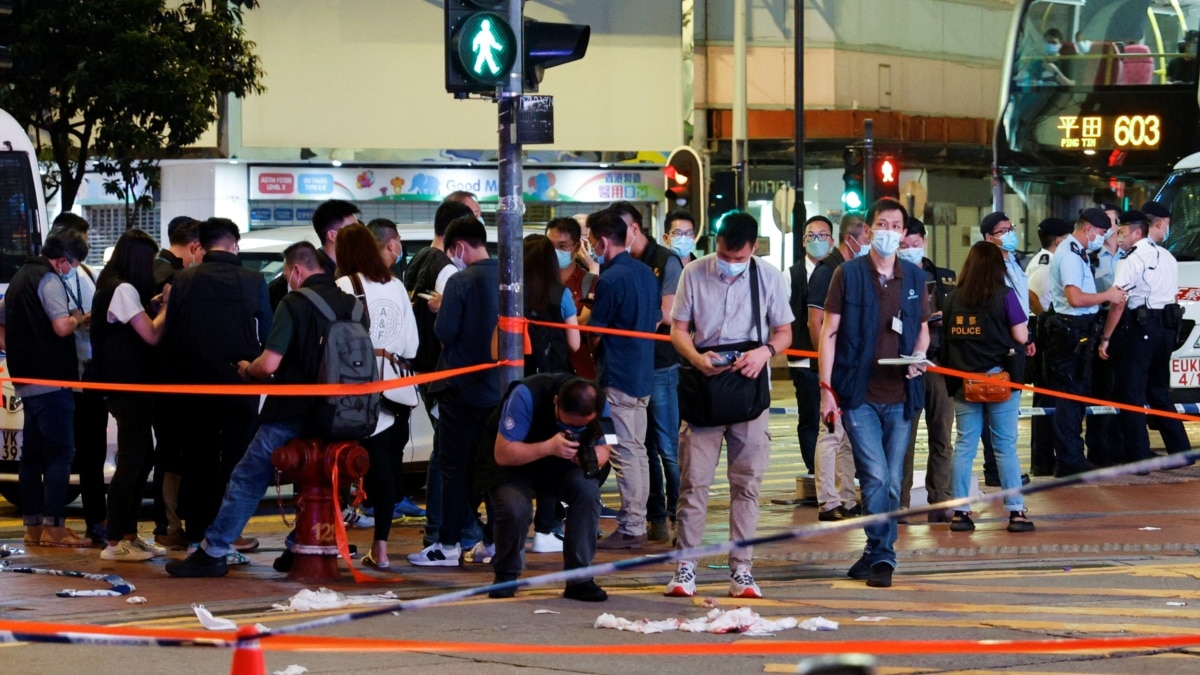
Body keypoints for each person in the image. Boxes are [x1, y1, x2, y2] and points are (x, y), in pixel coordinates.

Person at [166, 241, 366, 577]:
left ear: (297, 270)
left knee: (247, 477)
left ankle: (213, 551)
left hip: (292, 411)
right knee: (321, 482)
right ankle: (298, 545)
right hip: (342, 415)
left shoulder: (295, 302)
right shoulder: (355, 307)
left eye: (288, 274)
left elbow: (270, 362)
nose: (289, 280)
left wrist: (248, 369)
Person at [664, 212, 792, 599]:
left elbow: (784, 332)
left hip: (749, 390)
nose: (730, 263)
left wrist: (764, 353)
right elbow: (678, 329)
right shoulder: (694, 273)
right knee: (694, 483)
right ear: (715, 243)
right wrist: (696, 358)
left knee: (747, 484)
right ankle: (685, 568)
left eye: (738, 258)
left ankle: (742, 571)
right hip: (704, 388)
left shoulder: (768, 276)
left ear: (753, 248)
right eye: (724, 254)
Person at [819, 198, 930, 589]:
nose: (888, 231)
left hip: (902, 394)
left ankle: (872, 552)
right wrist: (826, 390)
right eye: (881, 224)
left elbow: (922, 328)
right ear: (868, 230)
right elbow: (828, 334)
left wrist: (919, 356)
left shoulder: (914, 277)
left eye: (895, 225)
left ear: (903, 233)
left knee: (891, 477)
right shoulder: (847, 274)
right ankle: (884, 555)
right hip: (858, 393)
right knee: (876, 475)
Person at [161, 218, 272, 551]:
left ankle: (196, 534)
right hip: (240, 383)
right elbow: (265, 334)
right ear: (234, 243)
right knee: (237, 461)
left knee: (198, 460)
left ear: (202, 246)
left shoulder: (183, 280)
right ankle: (226, 535)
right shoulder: (253, 281)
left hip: (193, 386)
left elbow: (172, 337)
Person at [407, 216, 501, 567]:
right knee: (494, 467)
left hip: (460, 391)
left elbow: (445, 331)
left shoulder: (460, 282)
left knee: (454, 466)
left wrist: (439, 307)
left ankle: (447, 545)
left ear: (458, 247)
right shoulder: (509, 281)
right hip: (499, 389)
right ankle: (493, 541)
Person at [481, 374, 611, 602]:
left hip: (561, 463)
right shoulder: (524, 395)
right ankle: (506, 576)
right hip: (514, 463)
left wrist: (588, 458)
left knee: (587, 492)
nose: (571, 429)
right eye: (567, 423)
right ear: (555, 402)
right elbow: (503, 453)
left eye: (580, 426)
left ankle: (579, 579)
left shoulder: (600, 402)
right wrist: (549, 447)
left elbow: (607, 449)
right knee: (514, 507)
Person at [334, 223, 420, 569]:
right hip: (398, 389)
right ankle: (381, 549)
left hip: (358, 391)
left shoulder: (343, 286)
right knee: (386, 471)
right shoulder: (396, 285)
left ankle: (332, 540)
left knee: (341, 466)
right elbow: (412, 343)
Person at [7, 229, 92, 548]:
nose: (71, 270)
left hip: (26, 380)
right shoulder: (48, 279)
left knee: (32, 456)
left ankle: (33, 528)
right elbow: (60, 326)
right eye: (72, 264)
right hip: (52, 380)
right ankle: (54, 526)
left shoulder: (19, 279)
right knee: (59, 453)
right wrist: (78, 318)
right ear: (63, 259)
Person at [942, 241, 1034, 534]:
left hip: (964, 383)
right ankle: (1016, 513)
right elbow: (1021, 335)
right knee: (1005, 447)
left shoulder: (952, 299)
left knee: (964, 446)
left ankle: (960, 512)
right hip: (1000, 382)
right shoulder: (1005, 295)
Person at [91, 230, 171, 561]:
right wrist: (168, 305)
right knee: (132, 459)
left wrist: (152, 305)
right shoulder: (122, 289)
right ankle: (115, 540)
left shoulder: (113, 286)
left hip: (126, 386)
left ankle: (129, 534)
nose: (153, 267)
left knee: (142, 457)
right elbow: (151, 335)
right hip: (127, 387)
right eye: (150, 260)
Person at [404, 198, 477, 552]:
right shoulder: (448, 269)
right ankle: (447, 530)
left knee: (443, 455)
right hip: (445, 372)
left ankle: (449, 528)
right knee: (448, 457)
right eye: (474, 220)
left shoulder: (418, 260)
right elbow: (451, 327)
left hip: (424, 369)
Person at [610, 201, 684, 545]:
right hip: (630, 367)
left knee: (668, 447)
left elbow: (670, 314)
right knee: (642, 448)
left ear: (635, 228)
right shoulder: (617, 263)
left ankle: (681, 516)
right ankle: (654, 517)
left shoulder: (664, 260)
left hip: (660, 364)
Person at [586, 209, 661, 550]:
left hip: (617, 379)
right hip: (643, 376)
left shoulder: (611, 281)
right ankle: (637, 521)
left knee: (623, 452)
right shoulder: (646, 273)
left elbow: (595, 334)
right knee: (638, 452)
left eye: (590, 242)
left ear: (602, 241)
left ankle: (631, 527)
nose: (591, 248)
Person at [1099, 203, 1192, 464]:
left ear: (1136, 233)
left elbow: (1118, 302)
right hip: (1166, 330)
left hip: (1140, 330)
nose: (1119, 238)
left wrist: (1106, 337)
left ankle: (1139, 457)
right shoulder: (1167, 257)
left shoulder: (1133, 260)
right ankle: (1181, 451)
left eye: (1122, 233)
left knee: (1132, 393)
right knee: (1160, 391)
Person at [1043, 208, 1126, 477]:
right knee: (1070, 397)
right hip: (1071, 331)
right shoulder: (1069, 256)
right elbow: (1075, 299)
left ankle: (1072, 455)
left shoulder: (1076, 252)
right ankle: (1069, 460)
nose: (1102, 239)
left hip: (1079, 330)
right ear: (1088, 229)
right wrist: (1107, 296)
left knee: (1077, 395)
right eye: (1101, 233)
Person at [43, 213, 106, 546]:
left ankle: (88, 520)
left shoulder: (81, 271)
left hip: (84, 374)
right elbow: (67, 322)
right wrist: (80, 320)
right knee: (84, 452)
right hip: (78, 376)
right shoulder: (56, 276)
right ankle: (91, 521)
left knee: (82, 453)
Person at [807, 212, 868, 521]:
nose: (870, 245)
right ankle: (828, 501)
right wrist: (827, 370)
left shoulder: (848, 270)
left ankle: (846, 497)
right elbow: (815, 323)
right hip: (836, 368)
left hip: (851, 366)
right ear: (851, 239)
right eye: (867, 238)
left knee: (845, 436)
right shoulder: (827, 272)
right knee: (830, 433)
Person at [898, 218, 955, 522]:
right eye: (903, 245)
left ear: (925, 241)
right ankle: (900, 504)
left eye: (914, 244)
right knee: (902, 440)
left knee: (942, 436)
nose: (909, 250)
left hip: (939, 364)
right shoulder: (890, 278)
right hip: (905, 365)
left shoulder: (945, 279)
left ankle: (941, 500)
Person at [150, 215, 202, 548]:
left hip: (159, 377)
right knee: (172, 455)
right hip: (171, 377)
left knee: (168, 453)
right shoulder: (173, 277)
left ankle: (168, 526)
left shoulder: (154, 269)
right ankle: (168, 526)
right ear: (195, 246)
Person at [1024, 217, 1072, 477]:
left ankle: (1044, 456)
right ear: (1060, 240)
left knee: (1047, 397)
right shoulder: (1047, 263)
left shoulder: (1044, 259)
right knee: (1047, 397)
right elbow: (1031, 295)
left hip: (1045, 329)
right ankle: (1042, 459)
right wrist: (1045, 317)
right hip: (1045, 333)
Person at [787, 215, 834, 475]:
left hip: (825, 358)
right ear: (803, 242)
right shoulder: (791, 274)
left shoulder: (833, 272)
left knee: (828, 417)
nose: (817, 241)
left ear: (832, 240)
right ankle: (814, 469)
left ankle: (829, 469)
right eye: (811, 236)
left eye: (822, 235)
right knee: (809, 416)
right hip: (803, 358)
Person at [1085, 203, 1124, 467]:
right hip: (1100, 325)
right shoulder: (1092, 257)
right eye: (1104, 222)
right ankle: (1099, 449)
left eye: (1113, 221)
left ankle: (1121, 446)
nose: (1109, 227)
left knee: (1125, 388)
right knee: (1102, 390)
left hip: (1126, 327)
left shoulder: (1129, 256)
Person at [267, 199, 357, 309]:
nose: (360, 235)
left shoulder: (353, 269)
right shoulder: (309, 270)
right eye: (353, 230)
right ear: (333, 235)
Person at [546, 216, 598, 379]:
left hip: (582, 372)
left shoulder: (591, 282)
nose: (555, 252)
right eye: (550, 246)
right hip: (547, 371)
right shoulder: (538, 282)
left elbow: (587, 323)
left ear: (576, 248)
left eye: (562, 246)